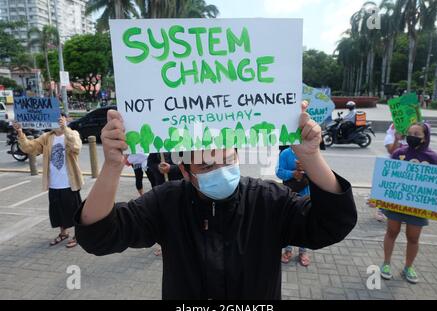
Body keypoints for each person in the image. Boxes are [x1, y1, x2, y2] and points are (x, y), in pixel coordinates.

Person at [74, 102, 358, 299]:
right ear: (184, 170)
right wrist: (111, 166)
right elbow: (99, 236)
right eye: (207, 167)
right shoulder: (166, 203)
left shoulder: (269, 200)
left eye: (227, 160)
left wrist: (311, 157)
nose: (221, 171)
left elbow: (332, 225)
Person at [380, 122, 437, 284]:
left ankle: (409, 266)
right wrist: (380, 200)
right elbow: (387, 179)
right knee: (391, 232)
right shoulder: (398, 153)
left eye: (417, 134)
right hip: (395, 203)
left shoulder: (433, 158)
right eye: (410, 133)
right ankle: (386, 263)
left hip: (418, 206)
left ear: (425, 138)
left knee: (413, 238)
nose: (412, 137)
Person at [14, 114, 84, 248]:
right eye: (55, 118)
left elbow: (76, 147)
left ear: (65, 120)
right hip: (53, 183)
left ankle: (78, 235)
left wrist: (66, 129)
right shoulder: (47, 137)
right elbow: (29, 148)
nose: (57, 121)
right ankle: (63, 233)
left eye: (60, 118)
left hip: (70, 182)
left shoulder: (72, 133)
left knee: (74, 211)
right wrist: (20, 132)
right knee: (57, 211)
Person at [276, 147, 311, 266]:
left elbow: (317, 172)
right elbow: (279, 172)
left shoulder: (309, 151)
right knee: (288, 221)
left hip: (306, 193)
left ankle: (303, 251)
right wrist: (293, 173)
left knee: (305, 222)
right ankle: (287, 250)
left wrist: (304, 170)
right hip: (289, 193)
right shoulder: (285, 153)